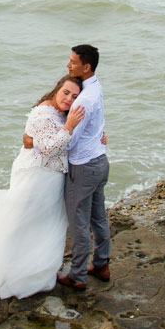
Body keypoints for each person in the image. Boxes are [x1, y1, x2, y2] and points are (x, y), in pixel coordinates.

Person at [0, 76, 85, 300]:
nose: (69, 99)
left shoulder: (60, 113)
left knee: (40, 225)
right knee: (19, 221)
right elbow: (48, 148)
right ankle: (2, 271)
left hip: (51, 178)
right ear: (57, 89)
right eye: (66, 92)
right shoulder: (43, 113)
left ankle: (34, 270)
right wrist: (69, 126)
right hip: (37, 177)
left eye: (74, 96)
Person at [56, 44, 110, 290]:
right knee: (98, 217)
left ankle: (77, 275)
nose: (68, 65)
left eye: (73, 62)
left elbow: (72, 140)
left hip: (84, 167)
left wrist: (49, 140)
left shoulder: (83, 100)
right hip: (100, 161)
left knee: (78, 222)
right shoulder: (95, 88)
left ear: (86, 67)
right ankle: (101, 264)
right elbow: (98, 121)